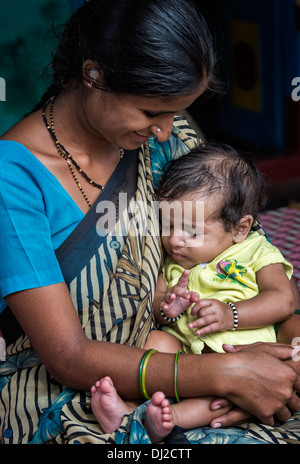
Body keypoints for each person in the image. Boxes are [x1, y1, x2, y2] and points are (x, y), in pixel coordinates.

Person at [0, 0, 300, 445]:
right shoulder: (14, 178)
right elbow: (68, 354)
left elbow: (247, 252)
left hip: (208, 351)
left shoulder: (171, 136)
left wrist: (291, 355)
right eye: (150, 113)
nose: (163, 131)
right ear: (94, 74)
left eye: (175, 112)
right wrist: (224, 374)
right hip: (78, 391)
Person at [90, 143, 295, 443]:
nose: (175, 240)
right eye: (168, 224)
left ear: (240, 228)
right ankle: (128, 410)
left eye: (191, 231)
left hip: (246, 358)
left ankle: (165, 421)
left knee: (214, 401)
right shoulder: (173, 261)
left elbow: (283, 300)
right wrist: (169, 307)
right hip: (186, 358)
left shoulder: (256, 250)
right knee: (153, 341)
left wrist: (232, 315)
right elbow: (158, 303)